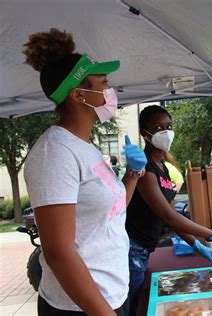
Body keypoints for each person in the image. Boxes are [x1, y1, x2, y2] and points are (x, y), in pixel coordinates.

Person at [22, 29, 147, 315]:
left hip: (111, 295)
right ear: (79, 94)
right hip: (80, 308)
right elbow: (58, 251)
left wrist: (133, 174)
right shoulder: (54, 152)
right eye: (103, 83)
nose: (110, 90)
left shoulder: (85, 147)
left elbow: (111, 211)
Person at [125, 105, 212, 315]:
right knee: (131, 304)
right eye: (158, 127)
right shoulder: (146, 170)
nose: (165, 131)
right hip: (133, 249)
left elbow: (173, 216)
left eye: (168, 126)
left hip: (144, 249)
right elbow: (167, 215)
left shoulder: (162, 168)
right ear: (145, 133)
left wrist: (197, 245)